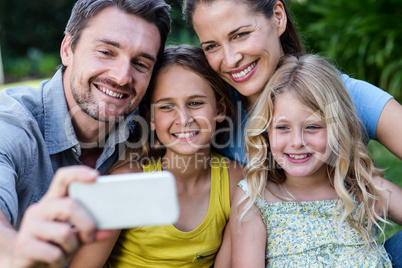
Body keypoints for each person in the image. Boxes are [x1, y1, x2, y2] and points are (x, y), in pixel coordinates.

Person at [182, 0, 402, 263]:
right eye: (212, 46)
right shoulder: (212, 114)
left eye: (240, 34)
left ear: (277, 16)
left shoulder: (341, 95)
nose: (230, 59)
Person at [0, 0, 171, 266]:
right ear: (68, 49)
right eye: (106, 51)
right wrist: (12, 251)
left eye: (140, 63)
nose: (122, 77)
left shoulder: (151, 126)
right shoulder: (14, 122)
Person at [68, 44, 244, 267]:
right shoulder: (126, 185)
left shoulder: (235, 182)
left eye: (195, 103)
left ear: (220, 110)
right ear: (150, 118)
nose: (183, 119)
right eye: (167, 106)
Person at [227, 54, 402, 267]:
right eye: (282, 128)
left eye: (312, 127)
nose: (297, 142)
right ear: (266, 132)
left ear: (338, 130)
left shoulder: (365, 188)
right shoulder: (255, 199)